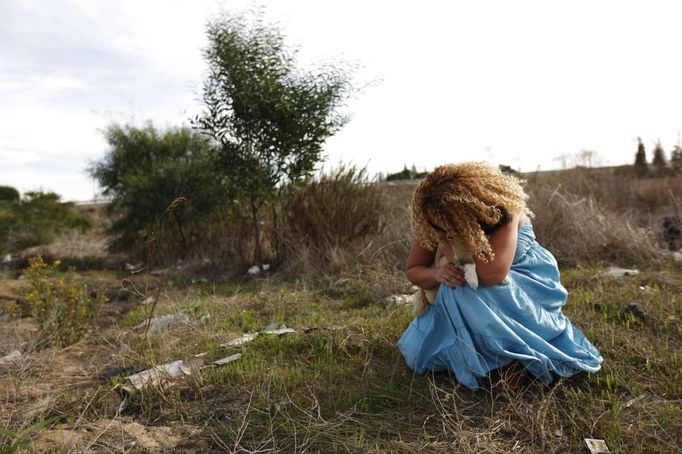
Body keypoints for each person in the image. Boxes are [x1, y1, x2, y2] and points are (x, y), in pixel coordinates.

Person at [397, 162, 602, 391]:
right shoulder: (435, 217)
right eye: (436, 226)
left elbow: (490, 274)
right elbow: (414, 270)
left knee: (464, 287)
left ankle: (514, 359)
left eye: (447, 226)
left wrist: (452, 251)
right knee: (455, 285)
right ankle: (488, 362)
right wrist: (437, 272)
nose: (441, 233)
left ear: (468, 213)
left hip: (524, 287)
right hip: (475, 291)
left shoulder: (503, 212)